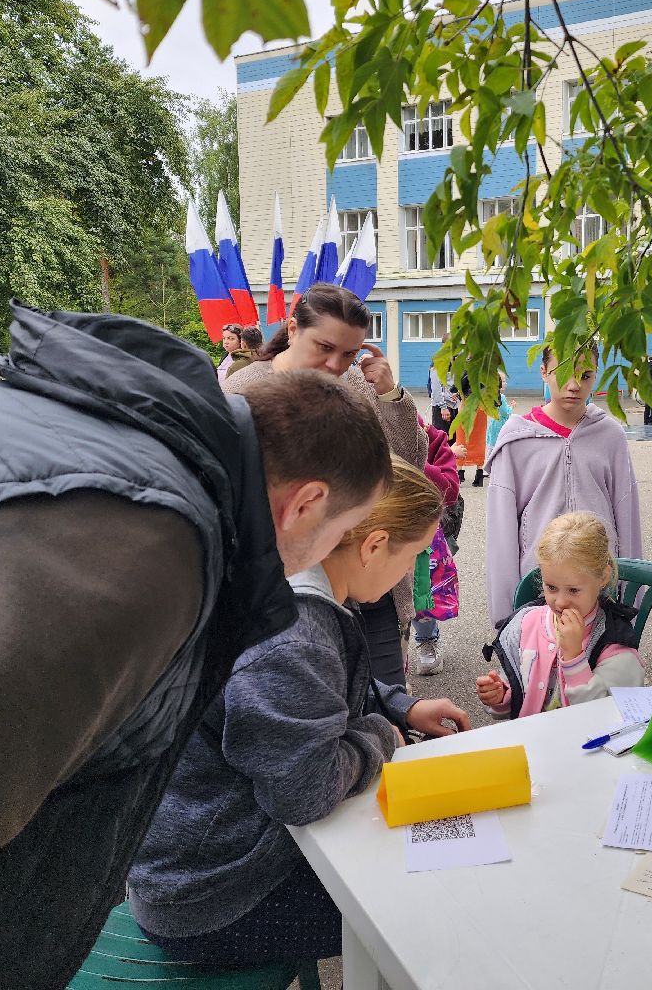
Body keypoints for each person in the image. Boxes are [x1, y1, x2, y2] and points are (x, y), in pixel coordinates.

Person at [0, 304, 392, 988]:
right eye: (341, 531)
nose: (332, 552)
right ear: (306, 504)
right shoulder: (137, 547)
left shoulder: (137, 460)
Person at [129, 459, 470, 968]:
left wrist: (402, 705)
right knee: (441, 895)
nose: (409, 575)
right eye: (412, 558)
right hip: (214, 899)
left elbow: (316, 689)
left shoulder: (288, 572)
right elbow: (305, 793)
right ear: (374, 545)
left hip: (209, 857)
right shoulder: (295, 634)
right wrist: (381, 734)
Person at [226, 283, 427, 687]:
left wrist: (390, 395)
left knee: (383, 691)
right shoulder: (241, 390)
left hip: (365, 573)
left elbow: (408, 465)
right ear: (293, 329)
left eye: (349, 353)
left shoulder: (359, 385)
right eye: (324, 347)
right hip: (282, 581)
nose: (336, 365)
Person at [485, 341, 643, 625]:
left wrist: (630, 598)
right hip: (540, 588)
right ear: (544, 372)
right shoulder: (517, 439)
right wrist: (505, 618)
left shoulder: (610, 436)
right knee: (541, 652)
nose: (574, 386)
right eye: (563, 373)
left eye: (585, 375)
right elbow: (501, 532)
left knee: (599, 652)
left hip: (598, 584)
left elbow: (627, 517)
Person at [477, 511, 643, 718]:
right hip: (533, 735)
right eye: (551, 587)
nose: (561, 601)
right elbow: (516, 693)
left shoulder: (614, 644)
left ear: (603, 578)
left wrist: (574, 657)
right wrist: (501, 696)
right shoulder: (526, 625)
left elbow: (604, 717)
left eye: (573, 590)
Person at [411, 419, 460, 677]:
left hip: (419, 532)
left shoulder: (422, 430)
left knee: (422, 585)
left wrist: (413, 459)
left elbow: (449, 488)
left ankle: (426, 638)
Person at [475, 371, 513, 488]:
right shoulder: (501, 397)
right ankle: (496, 468)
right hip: (500, 424)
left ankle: (488, 467)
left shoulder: (490, 395)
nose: (505, 383)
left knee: (491, 445)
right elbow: (505, 412)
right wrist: (512, 407)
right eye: (503, 381)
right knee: (499, 446)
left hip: (493, 422)